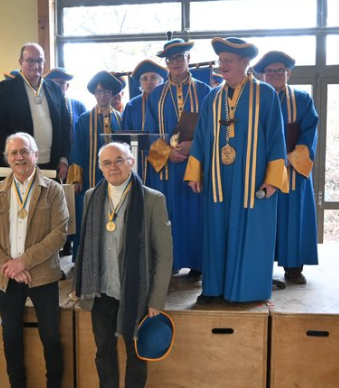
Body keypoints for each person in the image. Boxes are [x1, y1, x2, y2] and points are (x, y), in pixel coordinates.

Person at [184, 38, 288, 304]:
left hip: (252, 179)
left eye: (228, 61)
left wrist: (273, 180)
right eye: (221, 61)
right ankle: (214, 289)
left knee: (251, 232)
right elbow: (201, 138)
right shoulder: (212, 97)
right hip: (218, 179)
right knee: (216, 231)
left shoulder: (265, 94)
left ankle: (246, 291)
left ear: (245, 62)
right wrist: (195, 172)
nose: (222, 65)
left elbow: (277, 139)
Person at [74, 142, 173, 388]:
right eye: (106, 163)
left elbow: (164, 255)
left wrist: (156, 300)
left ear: (131, 162)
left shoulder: (152, 199)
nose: (113, 167)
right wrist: (80, 284)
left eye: (119, 160)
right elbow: (85, 246)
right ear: (100, 168)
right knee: (103, 351)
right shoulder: (90, 197)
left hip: (135, 292)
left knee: (136, 354)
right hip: (101, 292)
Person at [0, 132, 67, 388]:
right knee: (11, 336)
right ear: (7, 158)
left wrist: (23, 262)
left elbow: (58, 234)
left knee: (50, 336)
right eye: (14, 153)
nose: (19, 157)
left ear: (36, 155)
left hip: (42, 276)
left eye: (25, 151)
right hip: (7, 277)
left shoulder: (54, 191)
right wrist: (9, 264)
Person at [144, 38, 211, 281]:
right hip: (165, 167)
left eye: (179, 57)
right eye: (170, 59)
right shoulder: (156, 95)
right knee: (166, 213)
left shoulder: (205, 91)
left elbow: (212, 128)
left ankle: (197, 262)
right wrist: (166, 152)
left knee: (195, 213)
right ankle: (169, 261)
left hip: (195, 163)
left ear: (188, 59)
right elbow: (149, 131)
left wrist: (194, 145)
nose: (174, 63)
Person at [254, 51, 319, 284]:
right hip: (260, 171)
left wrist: (291, 159)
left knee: (293, 218)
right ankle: (260, 266)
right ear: (262, 75)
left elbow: (310, 132)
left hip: (293, 170)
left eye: (279, 71)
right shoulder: (253, 99)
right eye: (269, 72)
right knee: (262, 218)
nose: (274, 75)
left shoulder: (302, 99)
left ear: (288, 73)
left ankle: (293, 268)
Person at [0, 43, 72, 180]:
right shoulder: (5, 89)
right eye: (30, 61)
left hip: (52, 164)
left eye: (40, 61)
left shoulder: (55, 89)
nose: (36, 65)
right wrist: (16, 156)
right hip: (18, 164)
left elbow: (65, 126)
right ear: (20, 62)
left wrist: (64, 158)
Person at [67, 71, 125, 258]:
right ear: (94, 94)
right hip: (91, 176)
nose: (102, 95)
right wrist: (76, 178)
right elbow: (77, 149)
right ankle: (85, 257)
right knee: (89, 214)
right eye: (99, 92)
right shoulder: (84, 119)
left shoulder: (120, 119)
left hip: (115, 176)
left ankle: (112, 254)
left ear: (112, 94)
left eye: (106, 92)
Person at [45, 67, 87, 256]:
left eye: (62, 83)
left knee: (73, 202)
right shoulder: (45, 104)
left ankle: (71, 241)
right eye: (55, 83)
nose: (59, 86)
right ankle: (58, 241)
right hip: (54, 160)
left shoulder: (78, 106)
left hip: (75, 159)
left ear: (67, 86)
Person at [122, 59, 168, 182]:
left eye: (153, 77)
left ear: (160, 81)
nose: (149, 82)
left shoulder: (167, 102)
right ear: (140, 83)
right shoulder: (132, 105)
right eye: (144, 78)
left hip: (166, 160)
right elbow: (125, 137)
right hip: (139, 160)